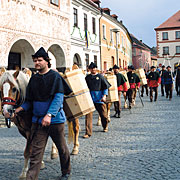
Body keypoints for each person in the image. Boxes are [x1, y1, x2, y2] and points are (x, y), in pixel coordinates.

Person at [15, 47, 72, 180]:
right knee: (36, 152)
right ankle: (31, 177)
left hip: (55, 121)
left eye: (39, 60)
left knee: (62, 148)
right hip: (38, 121)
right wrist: (19, 109)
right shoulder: (34, 79)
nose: (37, 63)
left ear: (47, 61)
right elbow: (29, 101)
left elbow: (58, 98)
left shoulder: (55, 77)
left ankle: (66, 171)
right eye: (35, 61)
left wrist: (49, 115)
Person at [83, 62, 111, 138]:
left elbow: (105, 87)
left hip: (99, 99)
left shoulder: (101, 77)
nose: (93, 69)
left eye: (95, 68)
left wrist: (104, 96)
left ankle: (105, 126)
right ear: (89, 69)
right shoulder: (87, 78)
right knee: (88, 116)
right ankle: (88, 132)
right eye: (92, 68)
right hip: (90, 99)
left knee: (103, 115)